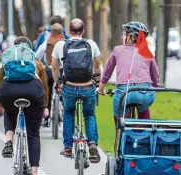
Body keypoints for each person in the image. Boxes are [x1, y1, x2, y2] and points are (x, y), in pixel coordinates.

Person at [0, 36, 49, 175]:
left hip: (8, 92)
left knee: (10, 112)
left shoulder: (8, 61)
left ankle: (8, 142)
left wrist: (0, 105)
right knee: (33, 134)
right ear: (29, 48)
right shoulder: (36, 62)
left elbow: (0, 84)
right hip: (33, 92)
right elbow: (44, 85)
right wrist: (45, 106)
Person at [52, 18, 101, 163]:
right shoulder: (91, 44)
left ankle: (68, 147)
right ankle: (92, 143)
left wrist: (58, 84)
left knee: (68, 112)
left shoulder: (61, 45)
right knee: (89, 114)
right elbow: (97, 67)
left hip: (69, 87)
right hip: (87, 86)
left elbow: (55, 68)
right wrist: (97, 84)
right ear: (83, 31)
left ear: (68, 31)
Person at [97, 21, 159, 126]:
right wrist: (154, 88)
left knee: (120, 115)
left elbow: (107, 72)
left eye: (124, 34)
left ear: (130, 36)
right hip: (145, 93)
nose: (122, 36)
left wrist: (101, 89)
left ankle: (121, 133)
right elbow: (155, 76)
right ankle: (144, 132)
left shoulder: (118, 50)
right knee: (144, 107)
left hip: (124, 93)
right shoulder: (147, 52)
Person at [36, 23, 65, 127]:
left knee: (47, 94)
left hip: (48, 70)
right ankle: (65, 112)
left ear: (51, 32)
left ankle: (46, 117)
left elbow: (37, 55)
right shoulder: (66, 42)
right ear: (62, 31)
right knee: (65, 93)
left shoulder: (47, 42)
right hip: (62, 72)